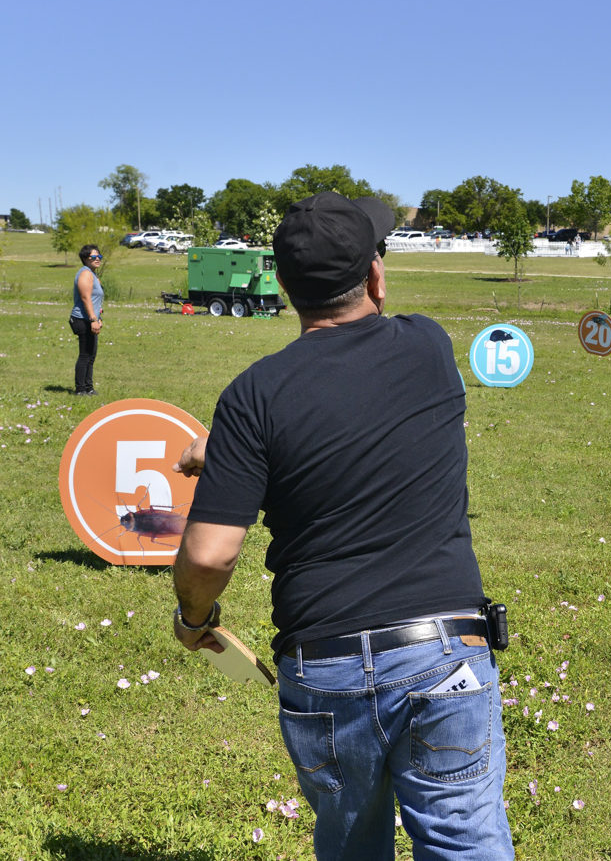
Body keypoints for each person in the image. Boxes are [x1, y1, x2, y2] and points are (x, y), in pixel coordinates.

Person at [171, 192, 514, 861]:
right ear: (376, 280)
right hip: (445, 655)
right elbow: (352, 416)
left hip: (323, 669)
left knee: (351, 846)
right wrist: (228, 452)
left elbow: (209, 557)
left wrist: (192, 618)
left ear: (284, 286)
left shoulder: (253, 398)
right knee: (465, 844)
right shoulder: (428, 347)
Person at [68, 244, 104, 396]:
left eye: (99, 257)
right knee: (85, 355)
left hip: (91, 318)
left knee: (91, 355)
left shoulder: (93, 275)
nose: (97, 259)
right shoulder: (85, 274)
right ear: (85, 259)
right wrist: (93, 319)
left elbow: (97, 302)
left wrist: (99, 317)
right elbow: (85, 298)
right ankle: (80, 389)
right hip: (82, 319)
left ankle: (88, 387)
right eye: (93, 257)